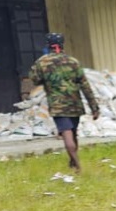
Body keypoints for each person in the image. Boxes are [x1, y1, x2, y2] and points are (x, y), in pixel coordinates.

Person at [29, 33, 99, 173]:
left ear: (48, 45)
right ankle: (72, 161)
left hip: (58, 105)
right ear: (62, 44)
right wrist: (94, 107)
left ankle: (77, 165)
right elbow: (85, 85)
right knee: (73, 133)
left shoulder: (42, 62)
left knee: (66, 134)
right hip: (75, 103)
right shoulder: (73, 61)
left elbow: (35, 80)